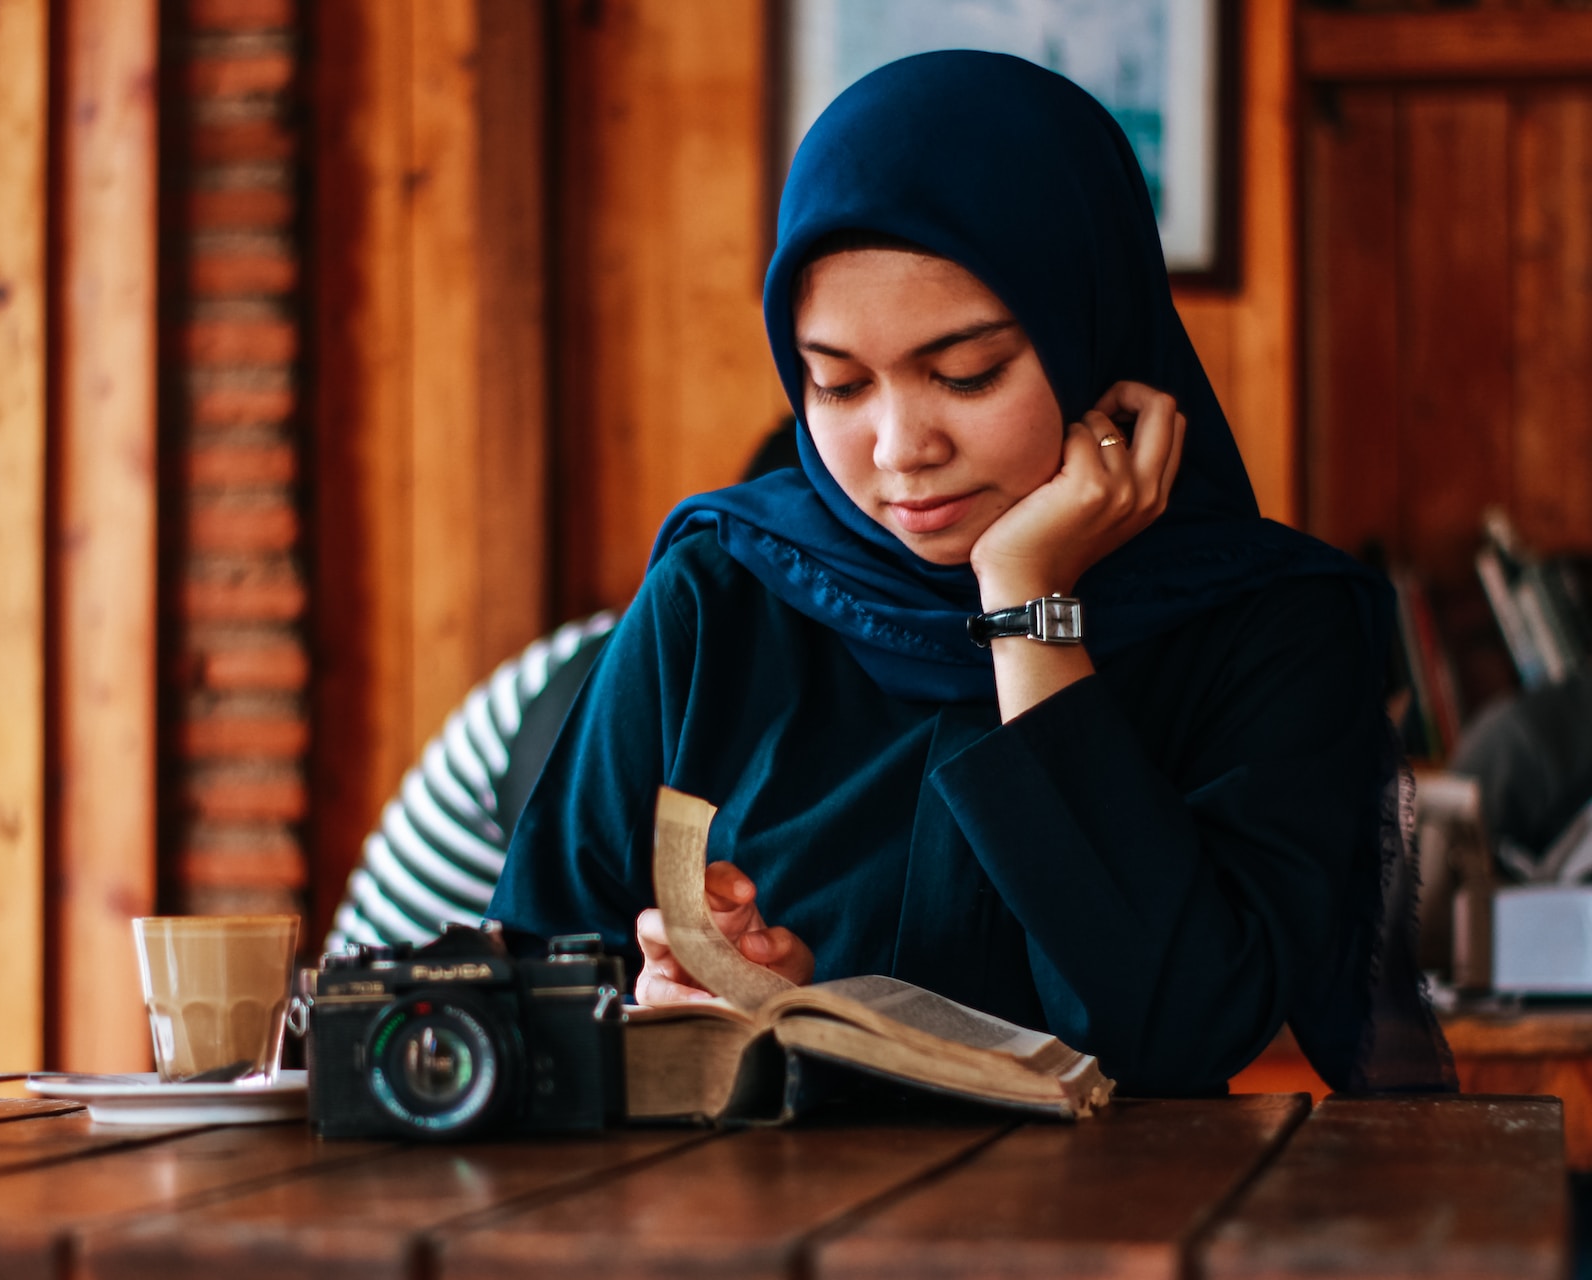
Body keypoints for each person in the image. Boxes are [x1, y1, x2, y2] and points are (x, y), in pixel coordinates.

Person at [487, 51, 1453, 1096]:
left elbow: (1171, 1030)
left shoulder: (1264, 630)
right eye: (839, 383)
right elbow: (531, 986)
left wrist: (1030, 611)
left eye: (967, 372)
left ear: (1094, 333)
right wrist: (668, 1010)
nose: (901, 446)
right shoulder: (721, 595)